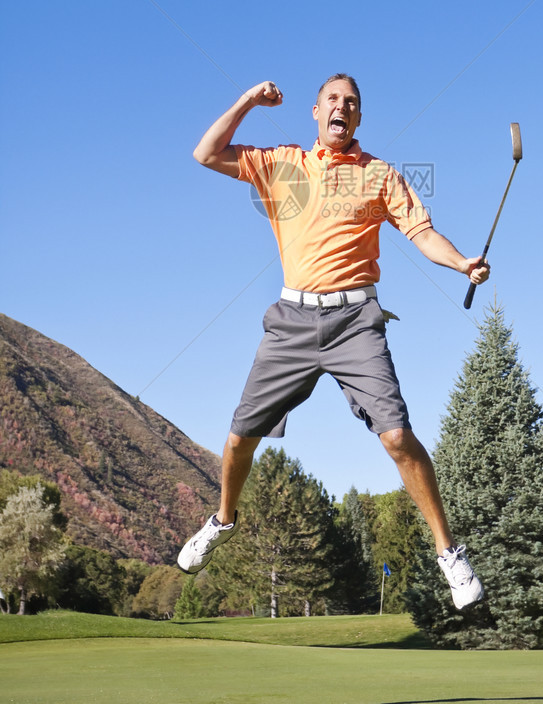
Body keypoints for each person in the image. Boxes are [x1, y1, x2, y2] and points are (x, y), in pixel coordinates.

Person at [178, 75, 490, 610]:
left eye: (352, 102)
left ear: (359, 119)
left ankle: (449, 553)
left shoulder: (379, 176)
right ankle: (223, 520)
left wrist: (462, 261)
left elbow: (423, 235)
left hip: (355, 322)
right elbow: (206, 153)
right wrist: (250, 100)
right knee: (237, 440)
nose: (342, 107)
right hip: (292, 321)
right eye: (333, 100)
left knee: (396, 437)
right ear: (316, 112)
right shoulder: (283, 164)